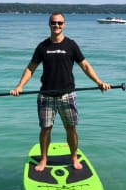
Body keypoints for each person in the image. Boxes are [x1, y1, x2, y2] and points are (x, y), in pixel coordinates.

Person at [11, 12, 111, 172]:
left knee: (71, 128)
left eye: (59, 23)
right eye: (53, 23)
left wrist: (99, 82)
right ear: (49, 24)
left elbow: (85, 65)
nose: (56, 25)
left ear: (64, 25)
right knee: (45, 129)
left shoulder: (71, 45)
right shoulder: (42, 46)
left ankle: (73, 157)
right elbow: (30, 68)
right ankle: (44, 159)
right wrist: (19, 86)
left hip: (67, 95)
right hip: (46, 95)